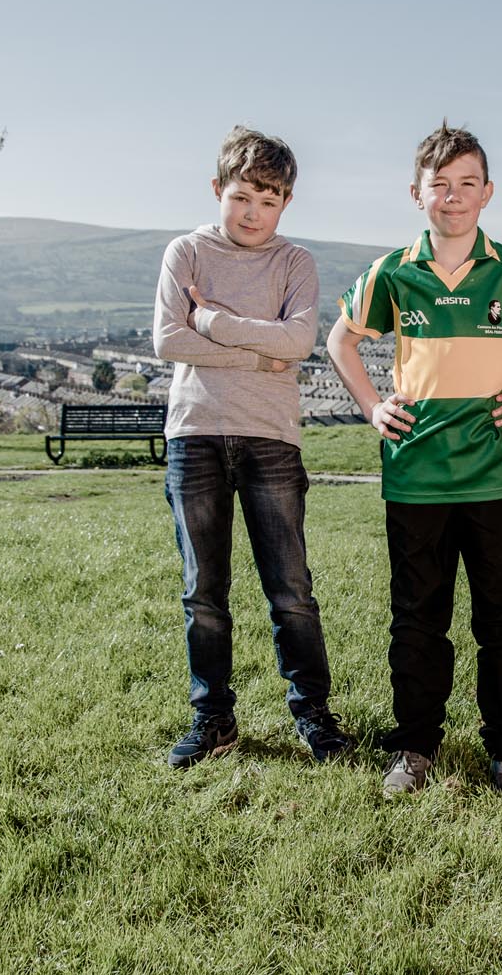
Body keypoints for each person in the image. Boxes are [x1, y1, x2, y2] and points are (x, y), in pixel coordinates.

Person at [326, 122, 502, 795]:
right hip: (415, 476)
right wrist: (373, 406)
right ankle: (414, 747)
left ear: (487, 192)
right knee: (418, 617)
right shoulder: (392, 271)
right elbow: (339, 342)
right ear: (417, 194)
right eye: (439, 185)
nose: (453, 196)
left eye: (467, 183)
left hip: (497, 471)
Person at [153, 125, 354, 768]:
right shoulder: (185, 253)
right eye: (242, 197)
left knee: (290, 586)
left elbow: (296, 345)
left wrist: (210, 320)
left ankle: (313, 714)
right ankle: (212, 719)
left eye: (268, 202)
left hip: (271, 439)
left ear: (285, 203)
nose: (252, 213)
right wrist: (257, 349)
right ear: (218, 189)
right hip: (196, 434)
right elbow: (167, 342)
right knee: (202, 590)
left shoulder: (295, 263)